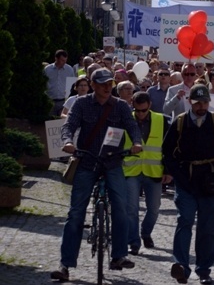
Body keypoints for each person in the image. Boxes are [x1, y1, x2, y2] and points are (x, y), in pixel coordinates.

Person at [50, 68, 143, 282]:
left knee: (121, 207)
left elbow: (132, 126)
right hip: (87, 161)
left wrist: (137, 142)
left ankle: (119, 256)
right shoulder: (81, 104)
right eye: (101, 83)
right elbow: (69, 126)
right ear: (92, 85)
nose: (106, 87)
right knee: (75, 213)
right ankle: (65, 265)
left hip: (112, 162)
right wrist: (67, 142)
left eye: (109, 83)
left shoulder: (120, 106)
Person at [162, 84, 214, 284]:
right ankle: (181, 265)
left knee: (209, 227)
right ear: (190, 102)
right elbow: (167, 151)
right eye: (197, 102)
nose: (201, 106)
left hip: (212, 181)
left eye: (205, 102)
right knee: (185, 220)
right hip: (186, 180)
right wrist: (174, 174)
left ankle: (204, 269)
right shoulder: (180, 123)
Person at [123, 92, 171, 256]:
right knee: (131, 209)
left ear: (149, 105)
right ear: (132, 105)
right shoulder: (126, 119)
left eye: (143, 110)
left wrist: (168, 170)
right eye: (138, 110)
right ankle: (133, 242)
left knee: (154, 208)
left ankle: (145, 233)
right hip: (131, 170)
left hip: (154, 171)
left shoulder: (162, 120)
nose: (141, 114)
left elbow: (170, 148)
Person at [44, 49, 76, 116]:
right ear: (56, 58)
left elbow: (73, 85)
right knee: (51, 122)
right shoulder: (47, 69)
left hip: (63, 101)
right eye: (62, 60)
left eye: (65, 60)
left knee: (62, 121)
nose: (64, 62)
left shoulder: (69, 69)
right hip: (50, 100)